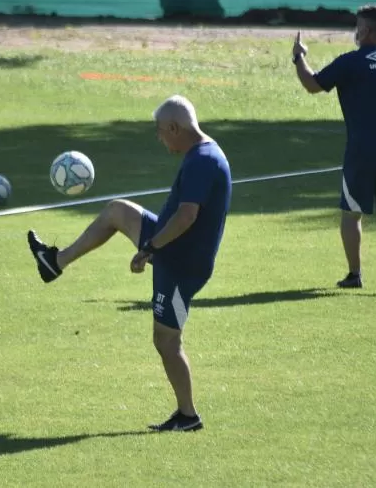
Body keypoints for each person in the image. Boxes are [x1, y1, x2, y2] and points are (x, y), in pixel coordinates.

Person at [27, 95, 231, 432]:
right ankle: (55, 262)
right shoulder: (202, 152)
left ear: (175, 127)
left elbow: (187, 216)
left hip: (181, 261)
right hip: (171, 244)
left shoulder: (203, 161)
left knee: (166, 341)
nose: (159, 137)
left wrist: (151, 247)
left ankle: (188, 416)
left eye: (161, 131)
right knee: (117, 211)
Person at [291, 3, 376, 294]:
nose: (356, 32)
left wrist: (298, 58)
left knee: (351, 213)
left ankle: (355, 273)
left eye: (358, 27)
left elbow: (312, 85)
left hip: (361, 153)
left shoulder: (350, 63)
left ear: (366, 31)